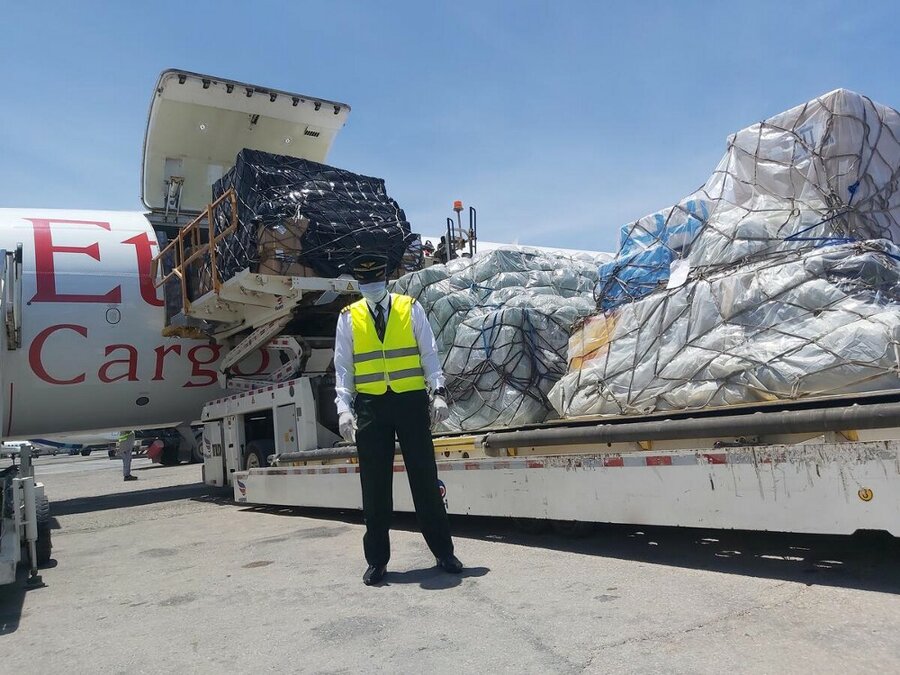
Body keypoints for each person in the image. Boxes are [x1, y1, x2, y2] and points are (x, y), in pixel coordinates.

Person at [334, 252, 462, 586]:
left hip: (409, 402)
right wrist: (343, 408)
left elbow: (429, 353)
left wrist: (437, 391)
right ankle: (377, 560)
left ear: (386, 279)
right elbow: (343, 369)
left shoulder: (410, 307)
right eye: (366, 283)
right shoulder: (349, 316)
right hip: (371, 407)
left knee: (425, 479)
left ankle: (443, 552)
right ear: (358, 284)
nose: (371, 287)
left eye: (375, 281)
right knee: (374, 486)